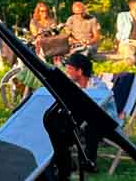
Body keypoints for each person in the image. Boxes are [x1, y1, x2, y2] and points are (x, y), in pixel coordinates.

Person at [42, 51, 113, 179]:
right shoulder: (74, 85)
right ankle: (64, 162)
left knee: (91, 125)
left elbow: (97, 111)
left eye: (70, 68)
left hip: (106, 123)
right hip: (85, 120)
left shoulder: (98, 87)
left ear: (79, 71)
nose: (67, 71)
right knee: (59, 124)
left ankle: (88, 162)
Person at [114, 0, 136, 65]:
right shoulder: (122, 16)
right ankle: (117, 65)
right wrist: (117, 45)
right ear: (131, 6)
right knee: (131, 57)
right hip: (128, 43)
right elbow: (120, 33)